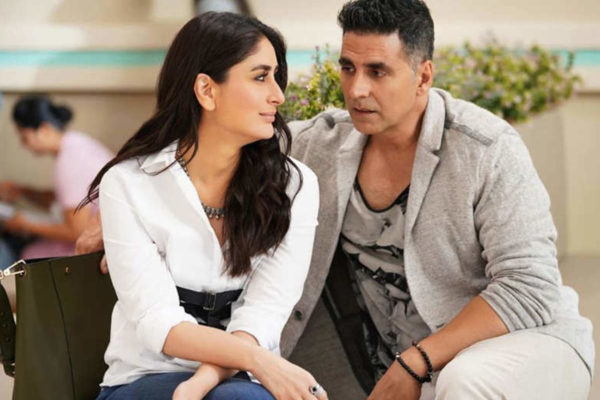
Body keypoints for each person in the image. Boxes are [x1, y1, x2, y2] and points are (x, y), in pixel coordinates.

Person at [77, 1, 594, 399]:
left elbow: (528, 287)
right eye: (348, 68)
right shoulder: (320, 145)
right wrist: (125, 215)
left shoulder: (487, 149)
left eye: (377, 71)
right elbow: (216, 146)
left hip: (512, 344)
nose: (357, 89)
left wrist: (417, 361)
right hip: (371, 357)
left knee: (464, 381)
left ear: (423, 76)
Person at [81, 12, 324, 400]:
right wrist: (261, 361)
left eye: (277, 77)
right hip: (144, 376)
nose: (278, 95)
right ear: (207, 90)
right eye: (260, 77)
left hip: (241, 383)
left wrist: (202, 382)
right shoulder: (128, 183)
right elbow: (157, 322)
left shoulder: (295, 186)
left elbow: (265, 311)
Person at [0, 95, 113, 262]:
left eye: (24, 137)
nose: (23, 144)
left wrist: (25, 225)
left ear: (44, 129)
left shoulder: (70, 161)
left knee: (29, 254)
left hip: (96, 245)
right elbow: (68, 200)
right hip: (102, 232)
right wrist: (23, 192)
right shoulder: (77, 143)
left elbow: (77, 231)